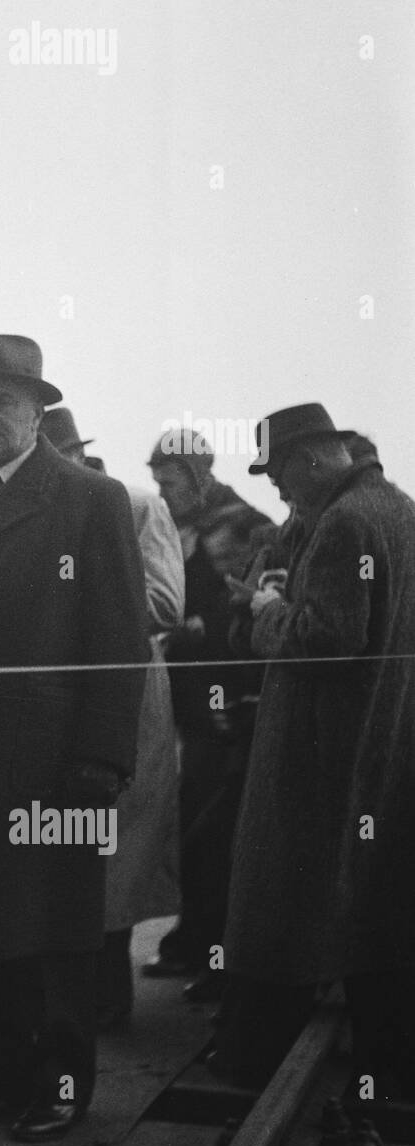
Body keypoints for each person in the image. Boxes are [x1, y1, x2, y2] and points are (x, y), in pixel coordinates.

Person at [0, 335, 147, 1141]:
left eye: (5, 401)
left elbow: (120, 637)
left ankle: (62, 1086)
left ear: (39, 413)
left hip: (57, 764)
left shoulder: (91, 499)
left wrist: (104, 756)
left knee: (57, 930)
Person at [216, 404, 415, 1094]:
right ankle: (386, 1064)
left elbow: (327, 641)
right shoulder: (395, 509)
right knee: (376, 911)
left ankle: (251, 1058)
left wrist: (265, 611)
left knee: (283, 903)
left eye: (277, 475)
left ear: (310, 460)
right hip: (382, 739)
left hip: (321, 745)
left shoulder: (346, 521)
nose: (276, 490)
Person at [39, 407, 184, 1027]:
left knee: (116, 848)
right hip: (59, 700)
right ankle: (72, 1008)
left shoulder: (136, 505)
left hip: (126, 695)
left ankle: (107, 1004)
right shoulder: (42, 513)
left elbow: (165, 604)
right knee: (66, 848)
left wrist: (76, 604)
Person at [145, 430, 269, 998]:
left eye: (169, 482)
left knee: (212, 829)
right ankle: (194, 943)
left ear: (195, 475)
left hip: (227, 701)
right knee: (193, 821)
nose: (162, 494)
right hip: (191, 697)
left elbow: (247, 616)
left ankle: (212, 954)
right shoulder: (182, 523)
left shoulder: (239, 527)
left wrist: (197, 629)